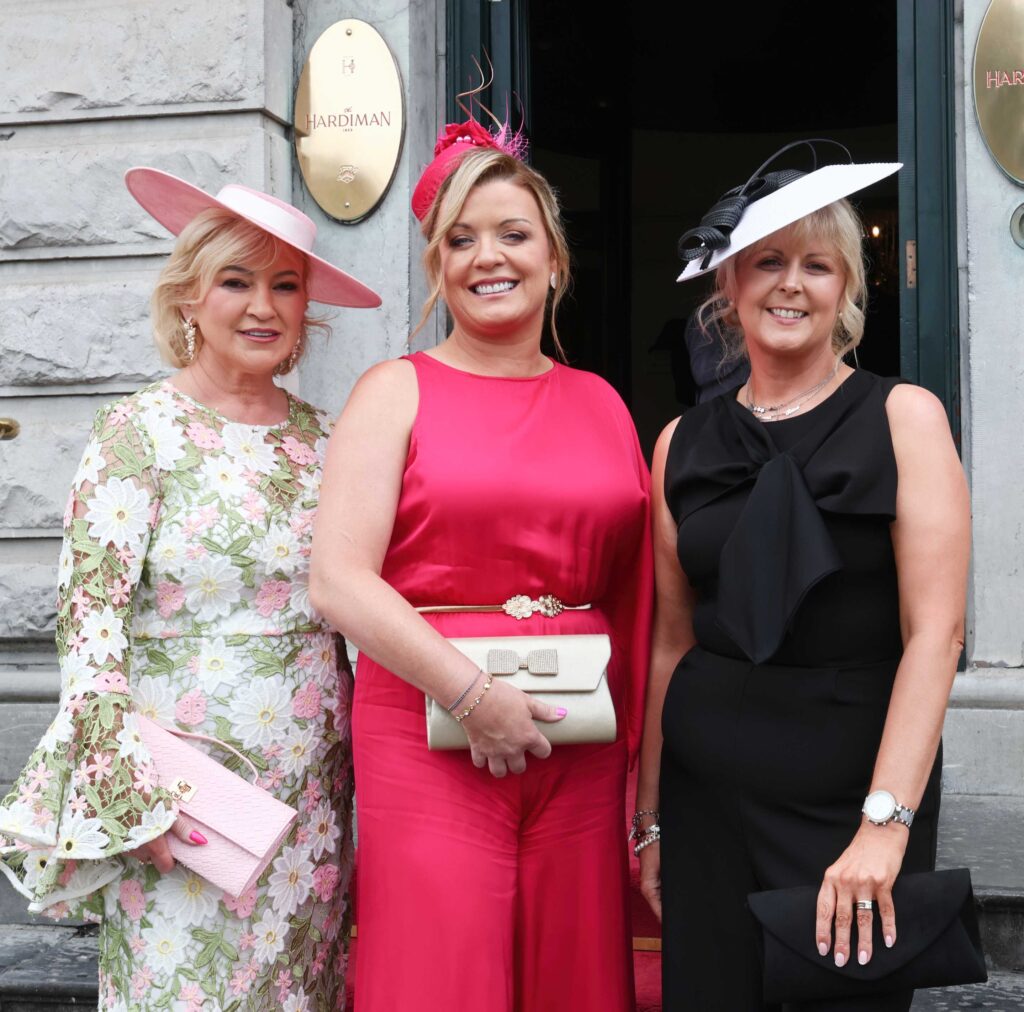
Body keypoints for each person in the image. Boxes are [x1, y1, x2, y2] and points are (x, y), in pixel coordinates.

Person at [0, 168, 380, 1011]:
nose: (263, 307)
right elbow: (89, 623)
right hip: (181, 790)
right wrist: (130, 797)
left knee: (301, 991)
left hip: (312, 795)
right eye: (236, 281)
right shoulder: (138, 431)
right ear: (188, 299)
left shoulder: (329, 439)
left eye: (285, 285)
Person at [309, 117, 653, 1011]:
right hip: (428, 738)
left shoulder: (604, 403)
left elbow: (638, 593)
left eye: (512, 234)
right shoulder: (393, 391)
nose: (485, 256)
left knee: (574, 978)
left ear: (553, 259)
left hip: (576, 744)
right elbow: (338, 578)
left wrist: (639, 779)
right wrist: (472, 697)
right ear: (436, 265)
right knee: (439, 975)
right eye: (460, 239)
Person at [634, 142, 970, 1011]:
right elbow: (672, 641)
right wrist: (652, 816)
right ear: (730, 287)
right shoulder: (679, 443)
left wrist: (884, 825)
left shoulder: (906, 419)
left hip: (850, 803)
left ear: (847, 289)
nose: (791, 284)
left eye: (817, 265)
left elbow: (936, 635)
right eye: (768, 262)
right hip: (706, 800)